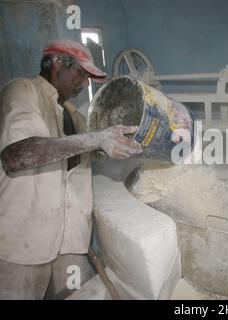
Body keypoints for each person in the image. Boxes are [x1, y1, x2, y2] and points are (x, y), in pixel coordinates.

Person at [0, 39, 142, 299]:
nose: (86, 83)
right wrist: (97, 139)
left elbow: (81, 155)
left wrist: (119, 143)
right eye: (82, 73)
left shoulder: (73, 115)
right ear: (57, 63)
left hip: (70, 243)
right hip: (23, 245)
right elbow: (16, 155)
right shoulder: (22, 91)